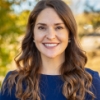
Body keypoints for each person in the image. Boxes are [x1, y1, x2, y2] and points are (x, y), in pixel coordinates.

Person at [0, 0, 100, 100]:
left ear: (69, 34)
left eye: (59, 27)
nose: (51, 36)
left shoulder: (90, 82)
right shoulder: (13, 82)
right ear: (33, 34)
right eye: (42, 28)